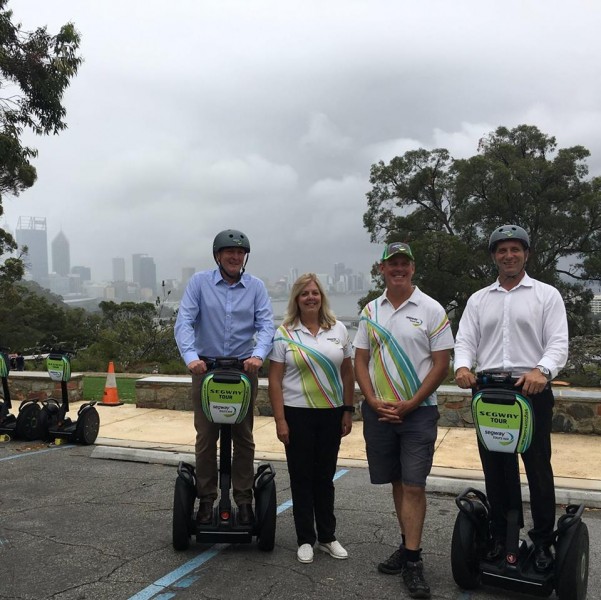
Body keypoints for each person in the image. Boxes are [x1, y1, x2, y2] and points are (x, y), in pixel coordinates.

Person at [454, 224, 569, 572]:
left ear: (526, 254)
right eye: (501, 250)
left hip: (530, 390)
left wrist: (543, 371)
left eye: (515, 249)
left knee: (537, 468)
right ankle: (503, 536)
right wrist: (461, 367)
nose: (508, 256)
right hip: (489, 392)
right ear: (494, 257)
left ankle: (544, 541)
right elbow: (466, 340)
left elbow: (558, 343)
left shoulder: (546, 295)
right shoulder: (478, 299)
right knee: (497, 470)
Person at [353, 242, 454, 600]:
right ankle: (406, 544)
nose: (398, 268)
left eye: (404, 263)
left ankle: (413, 560)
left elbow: (442, 363)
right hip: (380, 412)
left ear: (412, 268)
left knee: (414, 484)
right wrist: (371, 399)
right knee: (397, 481)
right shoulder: (370, 310)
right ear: (382, 269)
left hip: (418, 411)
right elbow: (360, 360)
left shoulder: (431, 309)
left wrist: (410, 403)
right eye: (391, 263)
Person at [174, 229, 275, 526]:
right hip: (206, 370)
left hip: (244, 371)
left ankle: (244, 500)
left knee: (244, 438)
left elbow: (267, 325)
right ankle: (206, 499)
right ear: (218, 255)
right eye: (229, 252)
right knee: (206, 437)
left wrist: (258, 356)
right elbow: (184, 322)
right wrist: (191, 358)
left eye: (240, 252)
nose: (235, 256)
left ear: (245, 257)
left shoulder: (255, 287)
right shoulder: (199, 283)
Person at [268, 274, 355, 564]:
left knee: (325, 477)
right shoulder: (284, 333)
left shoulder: (338, 329)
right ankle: (305, 538)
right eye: (304, 293)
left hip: (331, 414)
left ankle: (327, 537)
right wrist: (280, 420)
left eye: (315, 292)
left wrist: (347, 409)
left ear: (322, 297)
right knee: (301, 477)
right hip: (297, 414)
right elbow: (276, 380)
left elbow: (347, 373)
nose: (310, 297)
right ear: (296, 299)